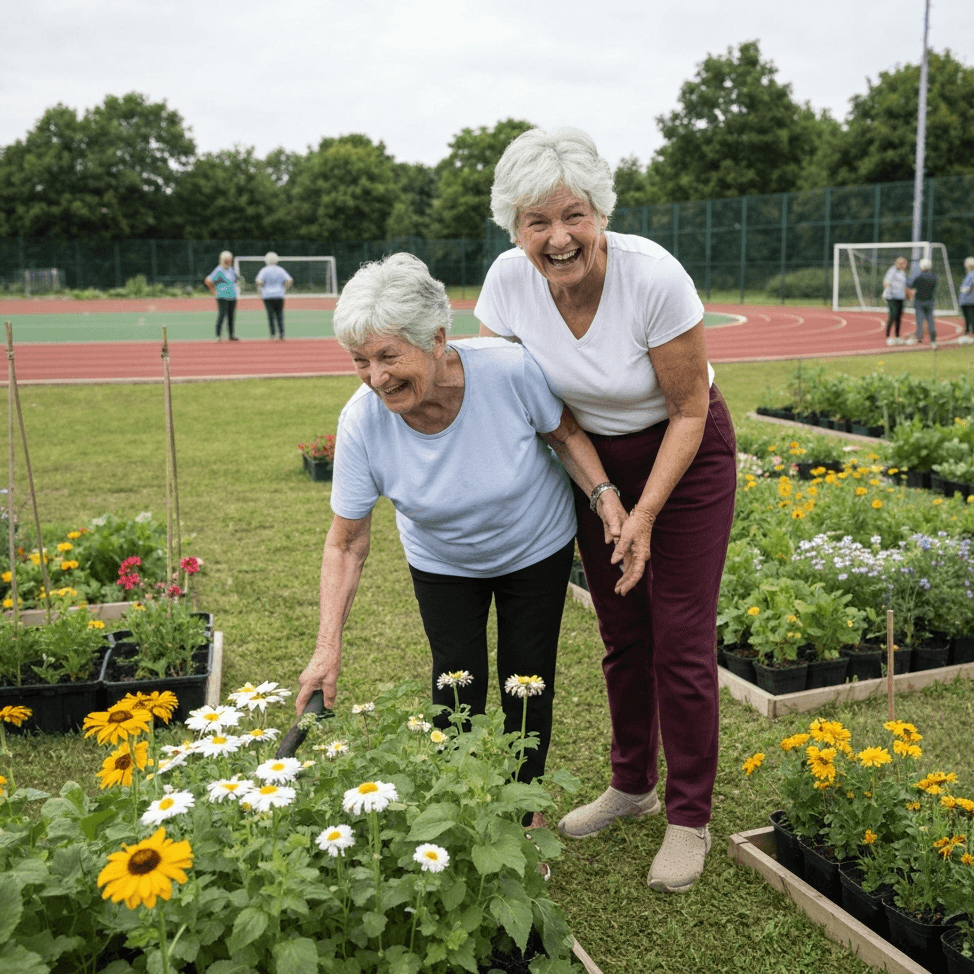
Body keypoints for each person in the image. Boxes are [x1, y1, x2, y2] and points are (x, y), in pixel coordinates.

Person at [476, 127, 737, 894]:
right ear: (514, 227)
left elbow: (690, 409)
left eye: (574, 216)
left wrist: (645, 512)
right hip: (591, 467)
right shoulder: (507, 282)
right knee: (622, 630)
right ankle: (633, 784)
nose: (558, 238)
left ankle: (689, 817)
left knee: (680, 639)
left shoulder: (653, 277)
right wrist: (602, 494)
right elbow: (511, 395)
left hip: (682, 461)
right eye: (537, 222)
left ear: (600, 214)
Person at [295, 253, 628, 826]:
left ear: (438, 338)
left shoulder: (508, 370)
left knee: (528, 681)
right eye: (360, 361)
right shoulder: (363, 423)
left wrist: (603, 494)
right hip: (442, 560)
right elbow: (346, 543)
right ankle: (467, 816)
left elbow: (564, 432)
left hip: (534, 547)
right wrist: (327, 648)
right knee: (457, 684)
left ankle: (524, 816)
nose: (377, 378)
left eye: (388, 356)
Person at [255, 251, 293, 340]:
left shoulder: (264, 270)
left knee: (270, 315)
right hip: (279, 294)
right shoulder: (280, 269)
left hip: (268, 295)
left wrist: (260, 289)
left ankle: (272, 334)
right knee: (279, 314)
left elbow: (258, 281)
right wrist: (284, 289)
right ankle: (281, 333)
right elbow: (289, 280)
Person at [204, 250, 241, 341]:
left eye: (229, 260)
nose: (228, 262)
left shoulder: (231, 270)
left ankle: (231, 335)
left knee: (231, 316)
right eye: (226, 260)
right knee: (222, 315)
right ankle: (218, 335)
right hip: (222, 296)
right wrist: (214, 291)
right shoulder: (219, 270)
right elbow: (208, 280)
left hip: (232, 296)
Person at [909, 257, 938, 346]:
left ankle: (919, 338)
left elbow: (912, 288)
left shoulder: (918, 278)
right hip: (930, 300)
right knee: (930, 320)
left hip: (919, 301)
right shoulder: (934, 277)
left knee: (919, 320)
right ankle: (932, 339)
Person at [882, 257, 908, 345]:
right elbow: (886, 281)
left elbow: (902, 285)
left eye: (904, 263)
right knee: (893, 314)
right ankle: (888, 336)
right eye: (900, 263)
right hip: (891, 297)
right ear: (896, 263)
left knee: (899, 317)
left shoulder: (903, 273)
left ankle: (897, 337)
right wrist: (886, 289)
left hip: (900, 297)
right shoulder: (892, 270)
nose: (902, 265)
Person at [959, 256, 974, 339]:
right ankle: (968, 330)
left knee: (970, 315)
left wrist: (966, 289)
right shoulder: (970, 274)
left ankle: (973, 331)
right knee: (967, 315)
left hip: (970, 299)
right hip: (966, 299)